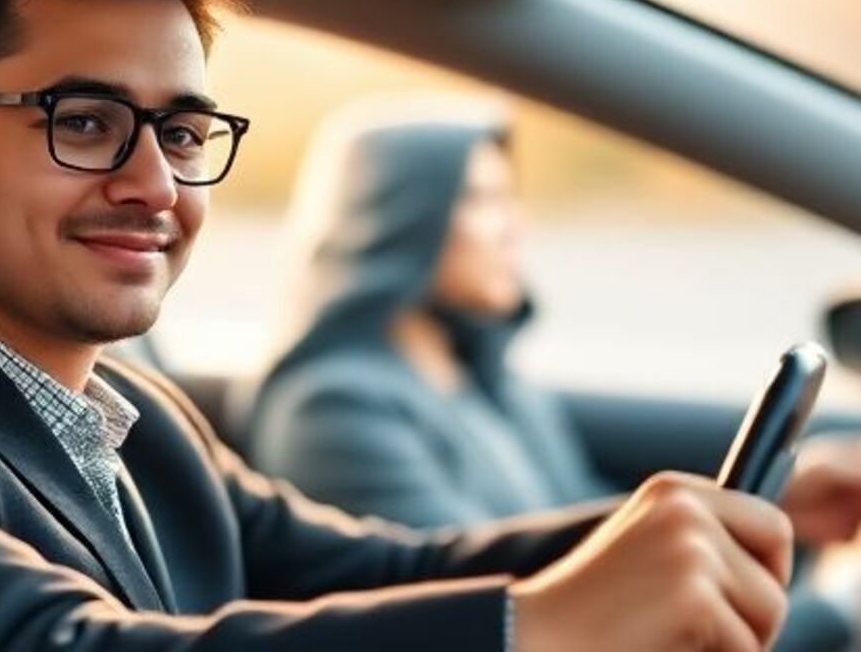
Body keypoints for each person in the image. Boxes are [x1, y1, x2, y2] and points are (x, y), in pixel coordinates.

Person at [0, 0, 839, 651]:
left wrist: (696, 523)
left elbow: (381, 567)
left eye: (180, 132)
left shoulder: (137, 417)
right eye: (83, 120)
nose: (154, 185)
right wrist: (535, 628)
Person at [246, 99, 861, 648]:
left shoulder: (482, 377)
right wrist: (836, 603)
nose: (516, 226)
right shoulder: (331, 409)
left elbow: (574, 518)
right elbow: (476, 609)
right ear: (398, 216)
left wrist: (770, 506)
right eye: (483, 200)